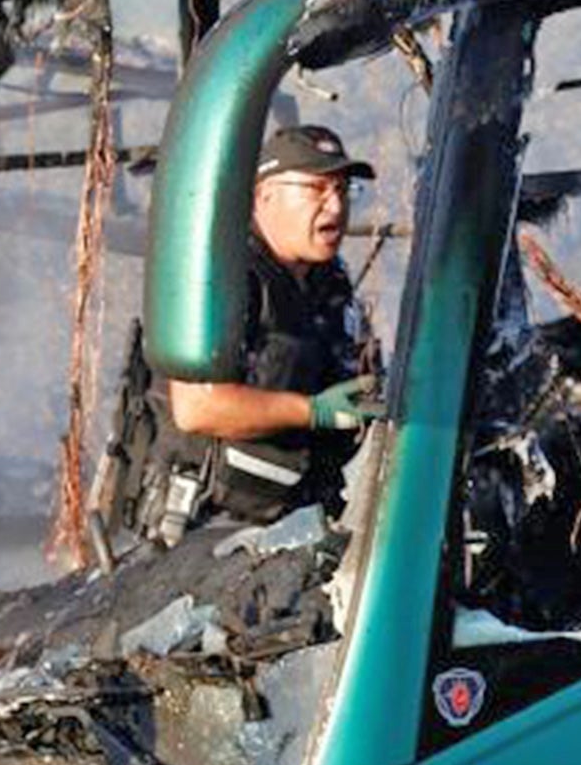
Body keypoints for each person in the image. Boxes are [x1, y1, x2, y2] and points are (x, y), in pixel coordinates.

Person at [112, 125, 385, 546]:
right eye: (316, 188)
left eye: (343, 190)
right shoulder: (222, 273)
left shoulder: (330, 284)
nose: (335, 205)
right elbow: (197, 407)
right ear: (264, 196)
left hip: (292, 528)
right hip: (199, 537)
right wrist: (313, 411)